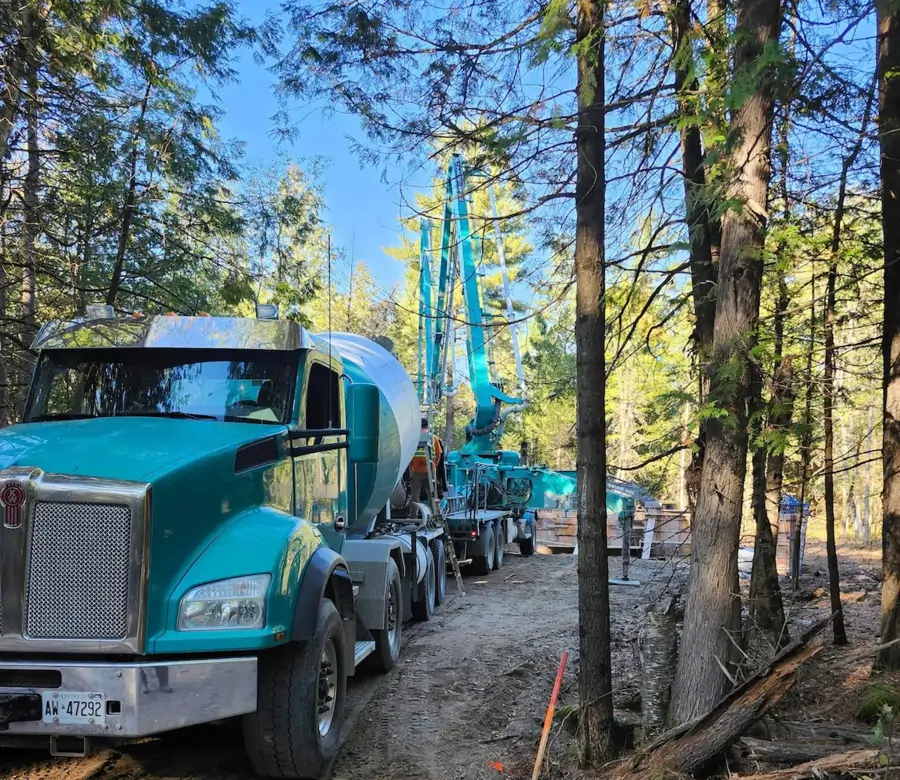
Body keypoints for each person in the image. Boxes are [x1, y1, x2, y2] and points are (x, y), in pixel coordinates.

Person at [409, 417, 442, 505]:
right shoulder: (433, 438)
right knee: (432, 496)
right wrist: (434, 465)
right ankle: (435, 515)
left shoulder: (413, 438)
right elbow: (438, 454)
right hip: (430, 470)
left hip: (416, 470)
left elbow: (408, 455)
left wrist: (411, 467)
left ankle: (413, 517)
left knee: (414, 497)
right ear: (427, 426)